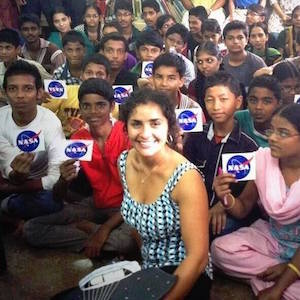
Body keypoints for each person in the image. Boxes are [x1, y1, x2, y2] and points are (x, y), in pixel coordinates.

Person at [23, 78, 136, 258]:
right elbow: (60, 196)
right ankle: (95, 240)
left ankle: (92, 232)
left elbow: (139, 196)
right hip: (96, 204)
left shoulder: (127, 133)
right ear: (80, 108)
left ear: (112, 106)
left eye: (100, 105)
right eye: (86, 106)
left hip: (129, 207)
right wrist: (63, 179)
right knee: (32, 229)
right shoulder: (77, 139)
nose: (93, 112)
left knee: (126, 242)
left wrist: (102, 230)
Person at [118, 88, 212, 299]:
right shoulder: (124, 162)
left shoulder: (186, 178)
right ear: (126, 127)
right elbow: (136, 227)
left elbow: (197, 259)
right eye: (136, 124)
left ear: (169, 126)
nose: (145, 133)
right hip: (149, 267)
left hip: (185, 271)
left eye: (155, 123)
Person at [211, 103, 300, 300]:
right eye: (272, 130)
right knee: (220, 250)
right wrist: (225, 197)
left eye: (283, 133)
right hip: (274, 239)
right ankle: (283, 277)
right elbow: (242, 208)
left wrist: (283, 278)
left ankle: (283, 278)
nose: (272, 138)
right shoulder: (264, 160)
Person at [183, 71, 258, 238]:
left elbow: (245, 197)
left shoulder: (248, 147)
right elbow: (184, 177)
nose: (216, 106)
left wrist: (222, 205)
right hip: (194, 206)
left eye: (223, 99)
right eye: (210, 100)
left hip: (229, 212)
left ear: (238, 102)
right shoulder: (195, 137)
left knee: (218, 228)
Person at [0, 60, 65, 224]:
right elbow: (9, 169)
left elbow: (54, 177)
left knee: (51, 201)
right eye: (13, 89)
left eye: (27, 88)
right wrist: (16, 176)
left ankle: (9, 212)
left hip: (38, 187)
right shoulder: (1, 118)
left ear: (39, 93)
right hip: (7, 182)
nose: (20, 95)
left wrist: (15, 186)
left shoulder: (51, 122)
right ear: (5, 93)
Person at [43, 53, 111, 137]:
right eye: (89, 73)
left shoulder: (112, 101)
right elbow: (43, 116)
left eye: (100, 74)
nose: (94, 77)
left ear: (108, 78)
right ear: (81, 75)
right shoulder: (65, 91)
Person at [0, 28, 51, 104]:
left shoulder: (33, 66)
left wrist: (42, 94)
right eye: (0, 48)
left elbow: (53, 86)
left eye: (8, 48)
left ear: (18, 49)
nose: (3, 52)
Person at [235, 75, 282, 147]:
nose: (258, 107)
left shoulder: (288, 127)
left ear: (278, 103)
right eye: (253, 100)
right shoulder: (237, 119)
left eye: (266, 102)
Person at [223, 20, 266, 91]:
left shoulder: (257, 63)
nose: (235, 41)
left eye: (240, 38)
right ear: (224, 41)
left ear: (246, 40)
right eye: (230, 38)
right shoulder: (221, 63)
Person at [188, 41, 223, 120]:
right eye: (200, 62)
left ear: (220, 60)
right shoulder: (194, 85)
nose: (204, 66)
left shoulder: (230, 83)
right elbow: (194, 115)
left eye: (209, 61)